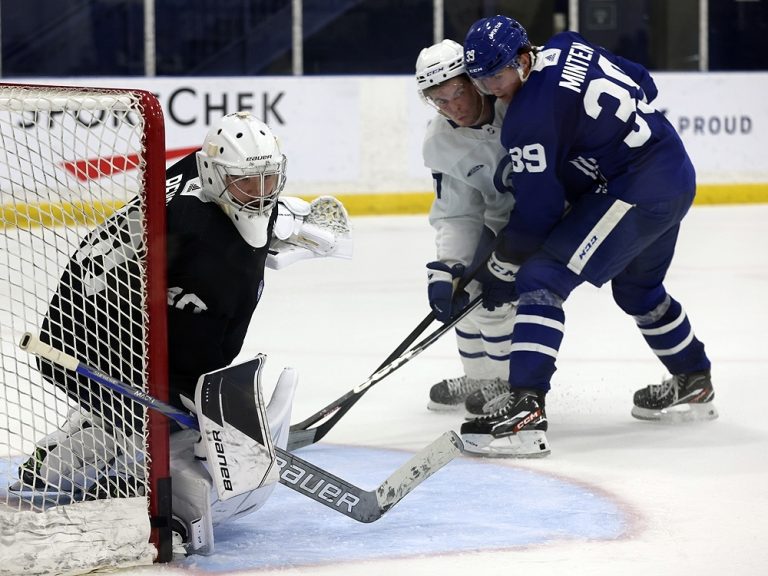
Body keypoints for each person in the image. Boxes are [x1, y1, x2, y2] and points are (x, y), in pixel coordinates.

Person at [17, 111, 352, 554]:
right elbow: (201, 330)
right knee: (176, 432)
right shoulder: (205, 243)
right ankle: (90, 443)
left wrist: (287, 220)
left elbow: (240, 212)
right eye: (248, 183)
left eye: (269, 180)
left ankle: (102, 430)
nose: (261, 195)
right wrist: (193, 398)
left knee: (166, 399)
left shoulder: (203, 174)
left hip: (108, 317)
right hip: (83, 342)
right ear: (218, 176)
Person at [457, 16, 717, 457]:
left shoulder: (528, 119)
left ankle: (525, 412)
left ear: (523, 59)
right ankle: (693, 379)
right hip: (673, 170)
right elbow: (644, 84)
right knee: (638, 290)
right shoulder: (568, 43)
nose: (489, 89)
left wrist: (504, 263)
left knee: (540, 277)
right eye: (479, 80)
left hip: (636, 189)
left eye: (497, 75)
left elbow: (539, 212)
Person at [415, 39, 517, 417]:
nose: (452, 108)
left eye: (457, 92)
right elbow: (458, 213)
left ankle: (510, 385)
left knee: (495, 301)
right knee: (465, 291)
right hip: (500, 223)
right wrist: (449, 266)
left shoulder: (515, 105)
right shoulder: (441, 141)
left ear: (475, 81)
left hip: (547, 220)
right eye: (439, 100)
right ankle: (479, 378)